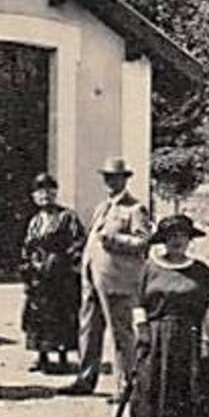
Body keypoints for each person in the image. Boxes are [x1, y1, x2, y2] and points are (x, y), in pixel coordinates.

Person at [128, 214, 209, 417]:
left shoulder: (199, 270)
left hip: (188, 339)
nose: (177, 241)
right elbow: (136, 302)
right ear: (163, 240)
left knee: (180, 394)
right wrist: (142, 330)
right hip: (155, 337)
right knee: (147, 392)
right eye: (171, 236)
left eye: (182, 236)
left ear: (189, 240)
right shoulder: (150, 268)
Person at [66, 157, 154, 397]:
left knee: (120, 334)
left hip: (117, 280)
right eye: (106, 177)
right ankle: (85, 379)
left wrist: (114, 240)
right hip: (92, 277)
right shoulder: (101, 207)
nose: (109, 182)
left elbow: (144, 242)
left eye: (114, 177)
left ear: (124, 179)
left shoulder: (134, 209)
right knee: (88, 329)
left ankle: (127, 385)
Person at [20, 173, 87, 374]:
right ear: (34, 196)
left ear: (55, 193)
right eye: (40, 191)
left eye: (49, 190)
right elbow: (27, 247)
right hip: (39, 275)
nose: (45, 195)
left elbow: (78, 241)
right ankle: (41, 355)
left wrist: (64, 259)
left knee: (62, 314)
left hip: (60, 273)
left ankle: (63, 356)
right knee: (37, 315)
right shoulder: (35, 221)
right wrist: (27, 269)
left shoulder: (67, 216)